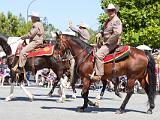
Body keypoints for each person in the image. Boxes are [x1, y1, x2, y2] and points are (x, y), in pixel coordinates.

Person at [90, 3, 122, 81]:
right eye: (109, 11)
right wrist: (100, 33)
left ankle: (99, 75)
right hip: (105, 42)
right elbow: (104, 30)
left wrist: (107, 42)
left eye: (112, 10)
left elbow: (117, 33)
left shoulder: (116, 20)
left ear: (115, 11)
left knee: (98, 55)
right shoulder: (108, 21)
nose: (110, 12)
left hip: (112, 43)